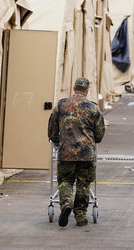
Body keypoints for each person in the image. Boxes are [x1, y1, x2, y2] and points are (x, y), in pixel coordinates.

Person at [48, 77, 105, 227]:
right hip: (86, 154)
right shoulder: (93, 108)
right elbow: (99, 134)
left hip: (66, 152)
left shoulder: (61, 105)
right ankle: (80, 216)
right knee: (83, 183)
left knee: (65, 181)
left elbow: (53, 129)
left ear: (73, 89)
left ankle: (66, 203)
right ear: (87, 91)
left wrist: (56, 141)